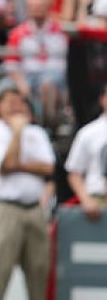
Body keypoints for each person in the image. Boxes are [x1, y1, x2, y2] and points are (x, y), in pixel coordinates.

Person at [0, 87, 55, 300]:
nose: (16, 107)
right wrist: (18, 132)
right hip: (6, 209)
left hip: (34, 208)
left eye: (19, 102)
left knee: (39, 270)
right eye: (10, 102)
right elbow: (5, 164)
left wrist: (18, 165)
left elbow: (48, 168)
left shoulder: (37, 133)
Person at [64, 85, 107, 221]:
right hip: (98, 201)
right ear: (102, 99)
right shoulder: (88, 133)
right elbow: (74, 172)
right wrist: (86, 200)